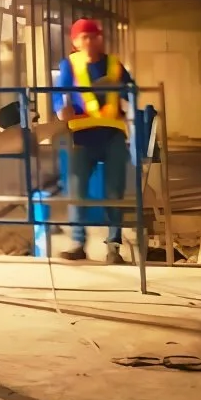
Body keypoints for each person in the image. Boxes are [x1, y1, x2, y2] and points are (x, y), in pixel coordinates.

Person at [56, 18, 133, 263]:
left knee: (114, 192)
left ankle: (113, 248)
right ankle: (78, 244)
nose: (89, 41)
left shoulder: (114, 64)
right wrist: (61, 109)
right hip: (82, 136)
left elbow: (132, 89)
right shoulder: (69, 65)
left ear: (100, 39)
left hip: (112, 135)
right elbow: (60, 95)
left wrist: (127, 96)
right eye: (84, 37)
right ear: (75, 41)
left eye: (93, 36)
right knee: (77, 191)